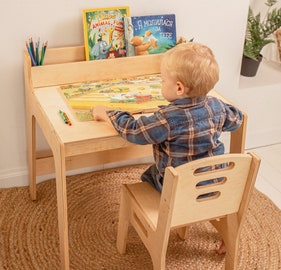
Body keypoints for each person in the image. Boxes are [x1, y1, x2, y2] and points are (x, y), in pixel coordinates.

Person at [93, 42, 243, 253]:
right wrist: (214, 102)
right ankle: (228, 236)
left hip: (178, 192)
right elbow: (237, 120)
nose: (161, 83)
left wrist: (109, 114)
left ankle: (156, 221)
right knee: (167, 172)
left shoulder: (166, 119)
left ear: (179, 88)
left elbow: (134, 131)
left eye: (163, 80)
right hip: (215, 187)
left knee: (148, 176)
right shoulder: (216, 107)